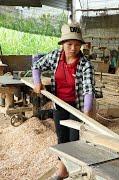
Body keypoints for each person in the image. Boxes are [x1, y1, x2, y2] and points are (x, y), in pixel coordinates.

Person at [32, 23, 95, 179]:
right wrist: (36, 81)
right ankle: (62, 170)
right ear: (62, 44)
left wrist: (86, 113)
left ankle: (74, 172)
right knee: (62, 138)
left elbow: (88, 90)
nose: (73, 48)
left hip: (77, 107)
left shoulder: (85, 64)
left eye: (77, 44)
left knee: (74, 139)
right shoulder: (55, 56)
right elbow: (36, 66)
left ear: (81, 45)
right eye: (69, 44)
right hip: (59, 104)